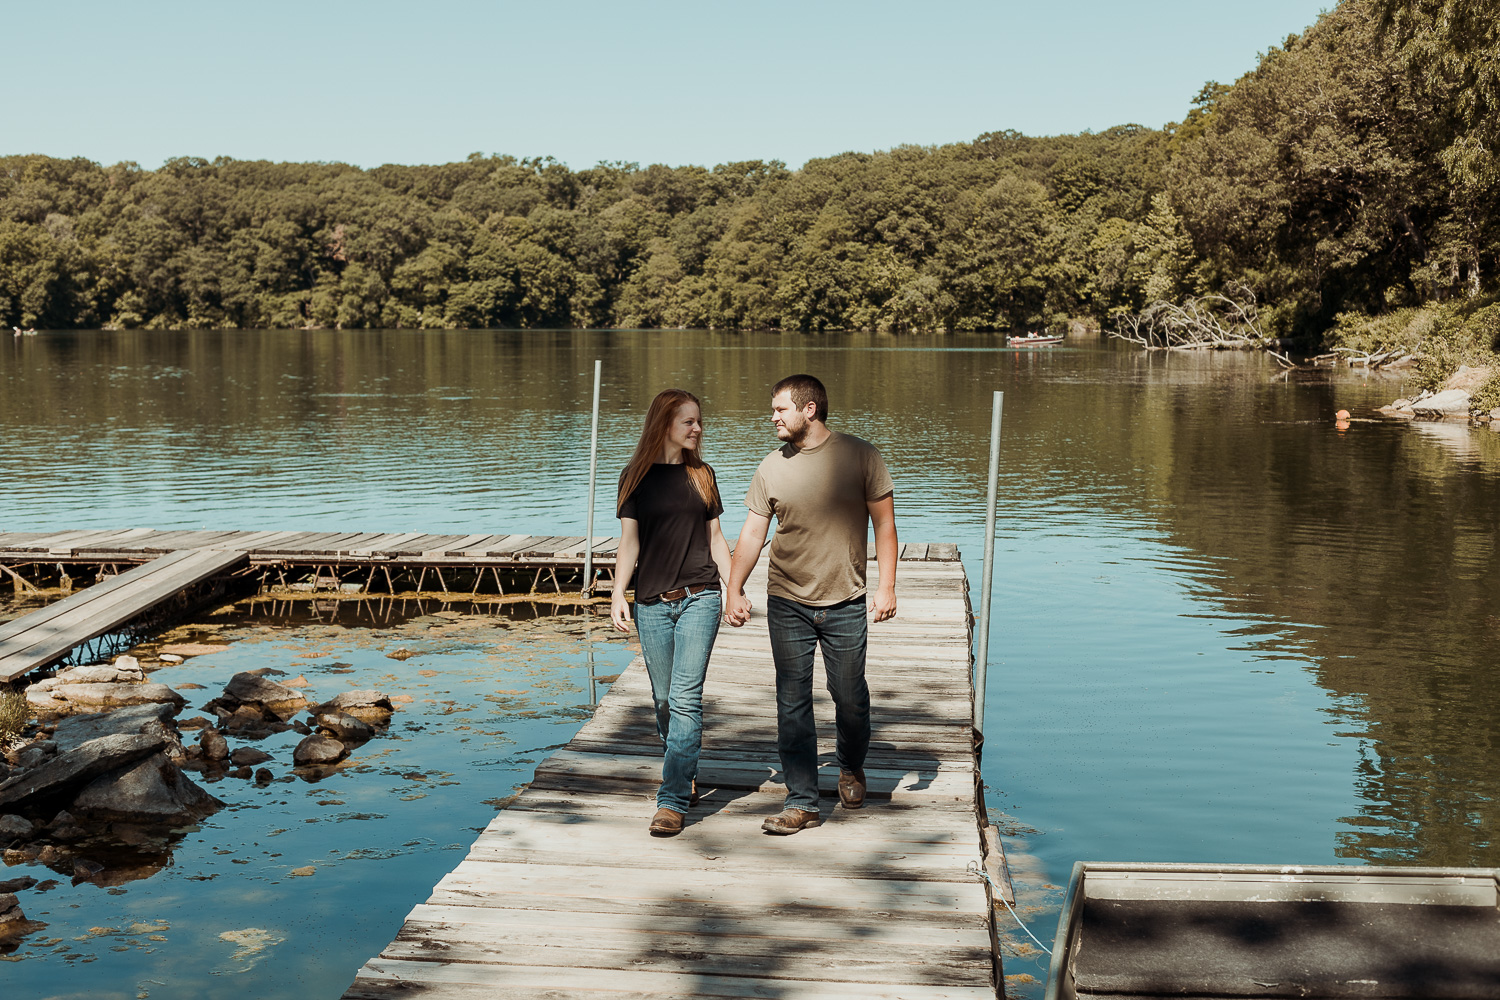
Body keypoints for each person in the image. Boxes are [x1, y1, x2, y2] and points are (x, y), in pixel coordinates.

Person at [725, 374, 897, 835]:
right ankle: (801, 801)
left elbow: (884, 525)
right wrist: (734, 588)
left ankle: (849, 765)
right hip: (786, 601)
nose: (773, 417)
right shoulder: (770, 467)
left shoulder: (861, 456)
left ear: (809, 410)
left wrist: (887, 587)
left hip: (846, 598)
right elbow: (751, 535)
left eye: (780, 409)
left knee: (850, 697)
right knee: (792, 701)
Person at [611, 389, 732, 837]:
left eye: (699, 421)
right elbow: (630, 544)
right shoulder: (634, 477)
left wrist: (733, 588)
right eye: (689, 422)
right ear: (664, 424)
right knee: (663, 701)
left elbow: (717, 539)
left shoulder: (703, 474)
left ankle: (673, 798)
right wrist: (617, 593)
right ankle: (684, 769)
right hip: (651, 604)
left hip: (701, 596)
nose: (698, 429)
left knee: (685, 699)